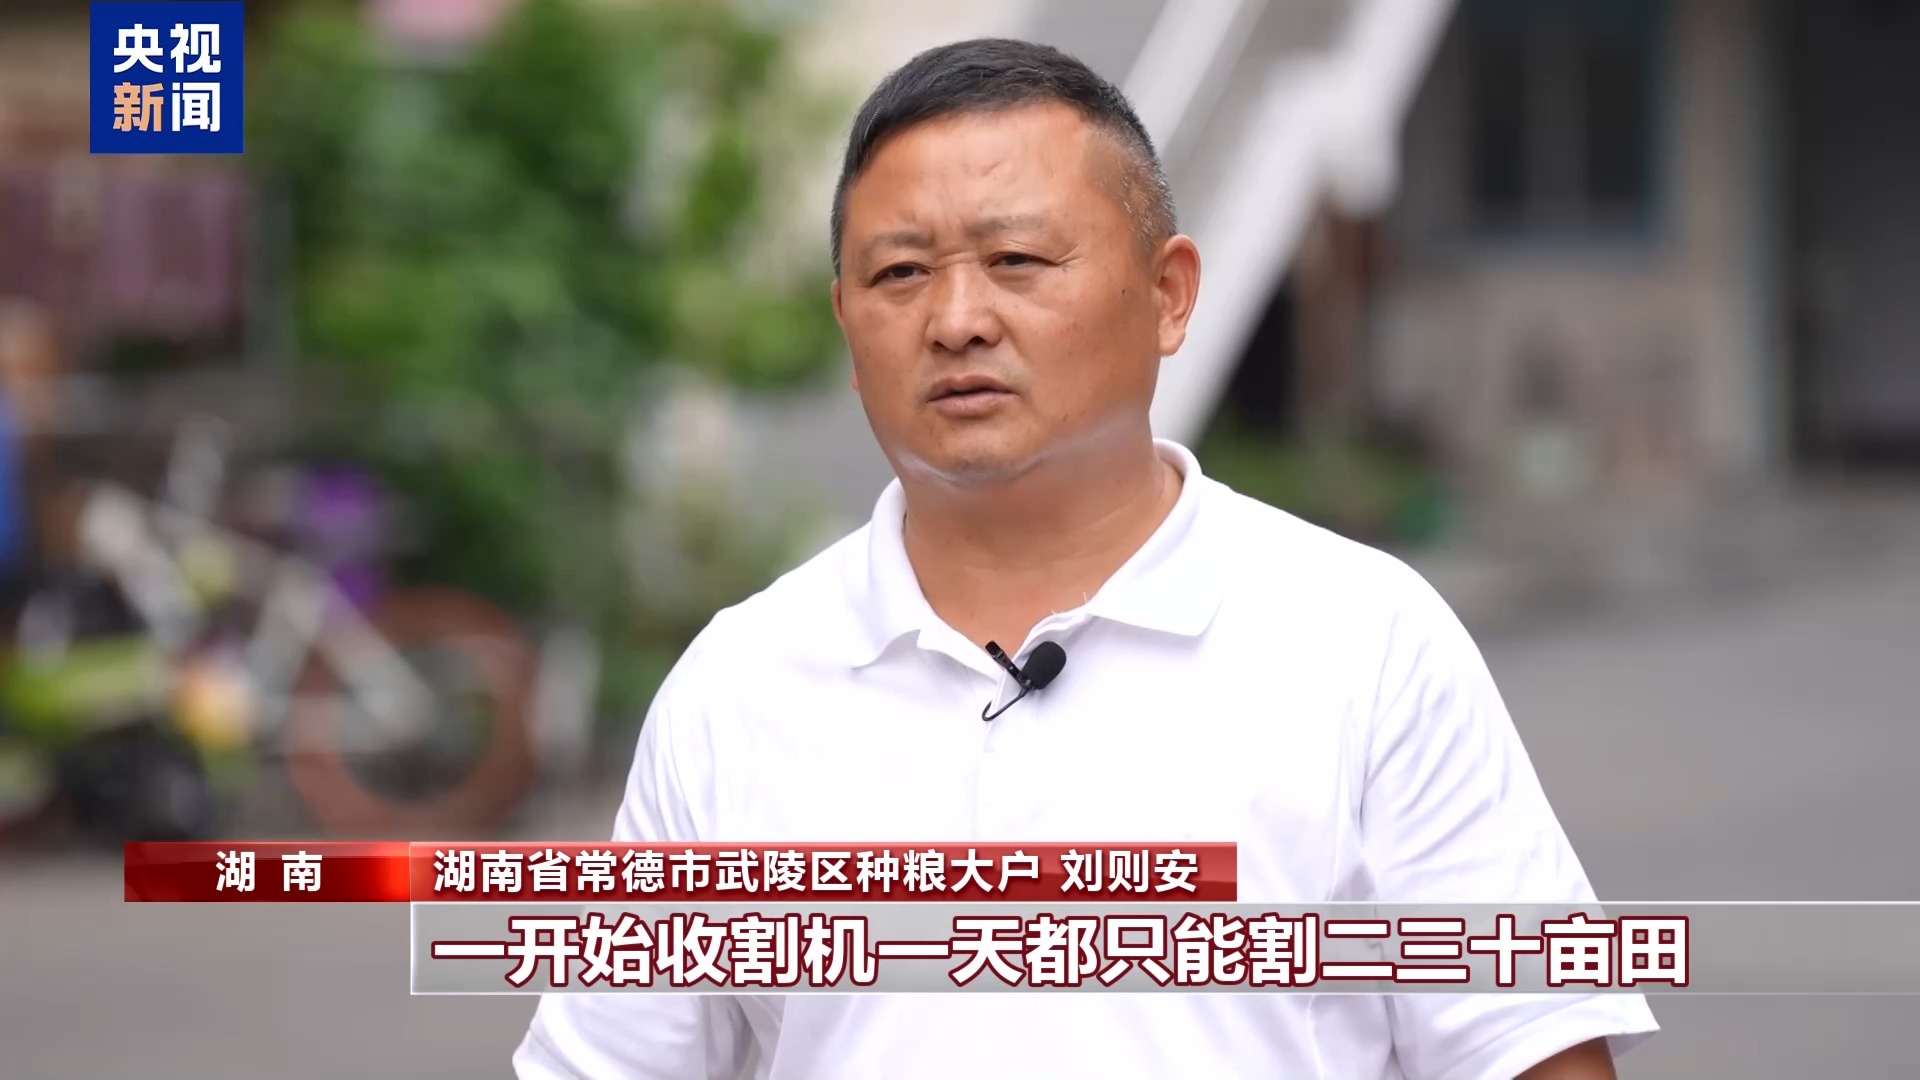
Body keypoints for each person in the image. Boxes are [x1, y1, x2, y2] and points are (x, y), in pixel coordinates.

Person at [515, 37, 1658, 1080]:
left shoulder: (1362, 642)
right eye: (900, 274)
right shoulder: (740, 687)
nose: (957, 319)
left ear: (1168, 294)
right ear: (847, 322)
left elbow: (1535, 1052)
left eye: (1017, 258)